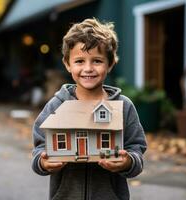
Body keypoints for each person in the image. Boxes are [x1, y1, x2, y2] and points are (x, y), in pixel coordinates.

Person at [32, 18, 147, 200]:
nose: (88, 68)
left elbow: (136, 149)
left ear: (110, 64)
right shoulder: (56, 105)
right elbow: (40, 147)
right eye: (79, 61)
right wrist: (43, 162)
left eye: (97, 61)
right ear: (67, 64)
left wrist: (127, 162)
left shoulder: (123, 107)